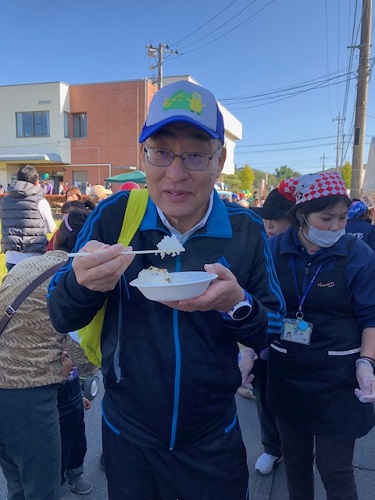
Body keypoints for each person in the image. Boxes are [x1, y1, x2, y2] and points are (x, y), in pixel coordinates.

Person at [47, 79, 285, 500]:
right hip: (128, 436)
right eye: (161, 152)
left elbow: (273, 326)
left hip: (212, 438)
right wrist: (83, 285)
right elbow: (60, 313)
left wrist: (238, 305)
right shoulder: (115, 216)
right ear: (145, 155)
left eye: (195, 154)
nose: (176, 174)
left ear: (219, 161)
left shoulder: (244, 229)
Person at [267, 172, 375, 500]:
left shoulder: (358, 256)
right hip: (288, 373)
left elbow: (371, 317)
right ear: (302, 215)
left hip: (338, 379)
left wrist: (367, 362)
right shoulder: (275, 248)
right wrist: (247, 350)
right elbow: (260, 300)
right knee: (297, 462)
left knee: (334, 469)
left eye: (342, 218)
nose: (335, 226)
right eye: (325, 218)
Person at [0, 209, 90, 500]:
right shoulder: (76, 278)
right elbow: (85, 353)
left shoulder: (29, 264)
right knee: (43, 490)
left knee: (17, 484)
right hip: (27, 396)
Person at [246, 188, 294, 475]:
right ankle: (272, 448)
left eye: (278, 219)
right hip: (263, 340)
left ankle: (298, 446)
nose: (271, 225)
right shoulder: (260, 247)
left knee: (295, 399)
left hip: (301, 342)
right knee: (264, 395)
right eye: (268, 219)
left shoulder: (310, 252)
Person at [0, 165, 56, 272]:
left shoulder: (5, 201)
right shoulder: (40, 201)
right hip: (34, 255)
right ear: (36, 183)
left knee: (13, 288)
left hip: (11, 256)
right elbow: (51, 228)